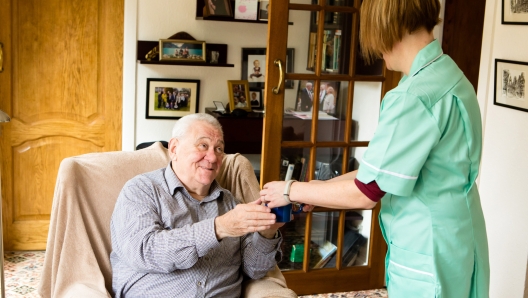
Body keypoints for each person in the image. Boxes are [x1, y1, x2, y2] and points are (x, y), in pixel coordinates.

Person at [259, 0, 489, 297]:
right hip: (460, 235)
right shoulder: (449, 76)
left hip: (427, 245)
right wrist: (317, 186)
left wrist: (291, 190)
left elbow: (366, 192)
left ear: (386, 25)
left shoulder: (412, 97)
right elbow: (377, 172)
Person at [110, 113, 283, 297]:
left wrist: (267, 231)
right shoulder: (141, 190)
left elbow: (254, 270)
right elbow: (145, 252)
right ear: (174, 148)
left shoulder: (231, 203)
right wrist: (218, 228)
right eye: (203, 145)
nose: (212, 157)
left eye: (218, 149)